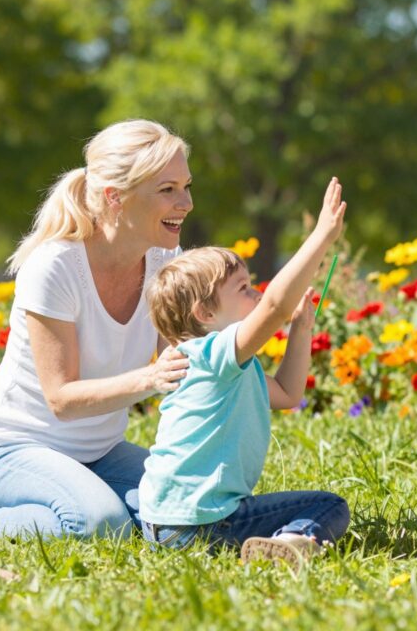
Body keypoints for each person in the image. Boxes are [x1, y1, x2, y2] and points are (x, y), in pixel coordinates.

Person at [0, 119, 193, 537]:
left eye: (186, 186)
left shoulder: (164, 264)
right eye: (167, 190)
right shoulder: (55, 267)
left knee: (188, 508)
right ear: (115, 197)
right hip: (14, 448)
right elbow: (61, 399)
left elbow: (189, 358)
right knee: (101, 524)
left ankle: (74, 492)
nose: (186, 203)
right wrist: (153, 378)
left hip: (101, 452)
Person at [139, 179, 349, 566]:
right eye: (244, 288)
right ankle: (290, 542)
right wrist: (322, 236)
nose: (256, 294)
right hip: (201, 524)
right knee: (330, 506)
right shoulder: (211, 354)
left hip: (162, 524)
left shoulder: (217, 365)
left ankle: (271, 539)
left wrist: (300, 331)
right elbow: (273, 307)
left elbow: (287, 394)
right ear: (205, 314)